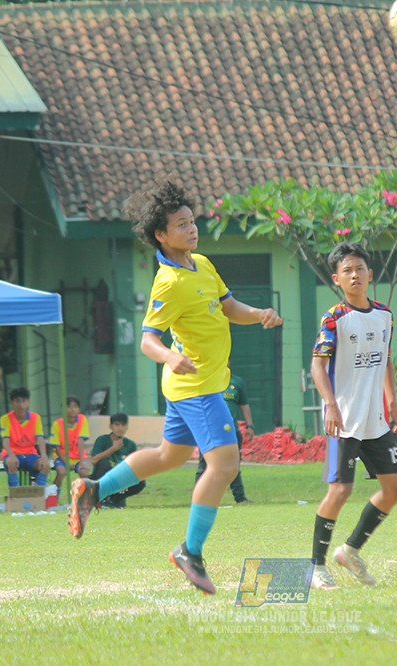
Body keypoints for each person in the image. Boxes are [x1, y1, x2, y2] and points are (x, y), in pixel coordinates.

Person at [68, 178, 283, 595]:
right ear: (160, 236)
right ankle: (190, 551)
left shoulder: (201, 264)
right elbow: (148, 338)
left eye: (192, 221)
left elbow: (228, 307)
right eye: (181, 224)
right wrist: (170, 355)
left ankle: (94, 489)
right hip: (195, 386)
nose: (191, 228)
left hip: (196, 385)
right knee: (224, 464)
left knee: (171, 455)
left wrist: (258, 314)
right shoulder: (167, 282)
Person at [308, 242, 397, 591]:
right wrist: (330, 405)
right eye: (347, 270)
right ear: (337, 279)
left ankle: (350, 550)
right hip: (344, 420)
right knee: (340, 490)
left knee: (394, 488)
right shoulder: (334, 318)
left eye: (360, 269)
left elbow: (386, 359)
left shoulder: (385, 315)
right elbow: (318, 365)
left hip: (376, 421)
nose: (355, 275)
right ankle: (316, 566)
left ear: (370, 274)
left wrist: (393, 404)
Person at [194, 371, 253, 504]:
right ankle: (197, 499)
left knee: (233, 465)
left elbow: (244, 404)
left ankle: (240, 498)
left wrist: (250, 425)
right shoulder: (206, 379)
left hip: (232, 430)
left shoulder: (236, 381)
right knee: (204, 464)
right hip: (210, 430)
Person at [88, 412, 144, 509]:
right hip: (101, 478)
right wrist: (113, 448)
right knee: (104, 462)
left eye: (123, 425)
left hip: (119, 481)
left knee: (140, 480)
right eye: (117, 425)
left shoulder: (130, 445)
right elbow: (93, 460)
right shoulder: (102, 440)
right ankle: (101, 499)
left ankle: (114, 500)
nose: (120, 428)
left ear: (127, 427)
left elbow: (134, 466)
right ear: (111, 426)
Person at [0, 387, 49, 488]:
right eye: (17, 401)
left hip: (30, 453)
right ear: (12, 403)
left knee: (45, 465)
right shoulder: (6, 419)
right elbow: (5, 441)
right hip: (12, 453)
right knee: (11, 463)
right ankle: (15, 494)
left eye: (23, 401)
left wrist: (44, 455)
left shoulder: (35, 417)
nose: (21, 405)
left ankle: (38, 492)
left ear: (28, 402)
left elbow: (40, 438)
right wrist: (11, 455)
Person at [49, 395, 92, 488]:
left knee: (84, 472)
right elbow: (56, 448)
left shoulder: (82, 420)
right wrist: (66, 463)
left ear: (79, 409)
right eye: (68, 407)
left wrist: (81, 461)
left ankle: (84, 497)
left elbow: (81, 441)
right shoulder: (57, 424)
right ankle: (55, 493)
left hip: (77, 456)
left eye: (75, 407)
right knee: (61, 472)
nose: (72, 409)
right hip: (61, 456)